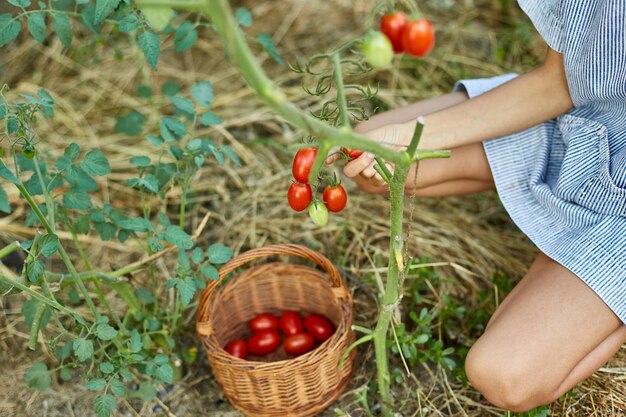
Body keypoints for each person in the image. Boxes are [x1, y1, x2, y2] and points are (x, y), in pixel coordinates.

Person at [327, 0, 626, 412]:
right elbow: (557, 83)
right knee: (370, 151)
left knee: (501, 377)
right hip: (591, 126)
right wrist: (404, 137)